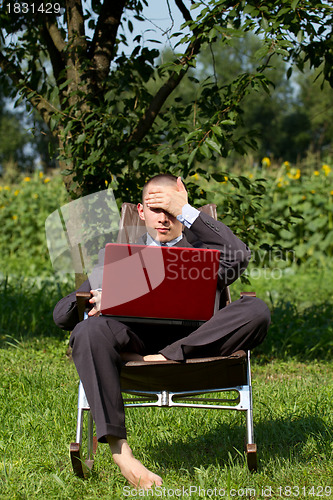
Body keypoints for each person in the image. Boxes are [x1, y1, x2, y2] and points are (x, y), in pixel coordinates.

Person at [53, 174, 270, 489]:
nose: (164, 218)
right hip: (134, 338)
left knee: (256, 309)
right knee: (89, 332)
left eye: (171, 210)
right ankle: (120, 452)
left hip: (197, 341)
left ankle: (167, 354)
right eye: (157, 208)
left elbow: (240, 257)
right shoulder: (119, 257)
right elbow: (62, 315)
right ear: (141, 212)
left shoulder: (206, 254)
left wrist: (185, 209)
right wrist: (98, 297)